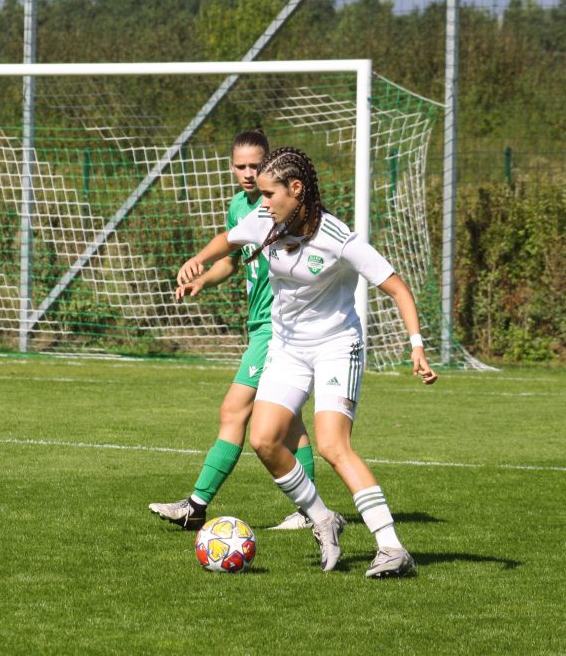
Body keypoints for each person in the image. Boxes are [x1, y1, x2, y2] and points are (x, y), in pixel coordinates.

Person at [176, 147, 438, 578]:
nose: (261, 202)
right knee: (263, 440)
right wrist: (198, 262)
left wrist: (416, 345)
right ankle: (322, 518)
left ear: (295, 190)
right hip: (287, 349)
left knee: (333, 445)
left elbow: (398, 289)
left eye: (269, 193)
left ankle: (392, 548)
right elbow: (228, 240)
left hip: (336, 346)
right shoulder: (264, 221)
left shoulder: (338, 238)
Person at [149, 131, 319, 532]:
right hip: (259, 323)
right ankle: (311, 511)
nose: (247, 173)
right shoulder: (239, 207)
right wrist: (203, 279)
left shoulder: (281, 207)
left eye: (255, 166)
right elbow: (235, 258)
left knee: (234, 409)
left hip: (278, 328)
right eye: (239, 166)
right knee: (290, 423)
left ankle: (197, 504)